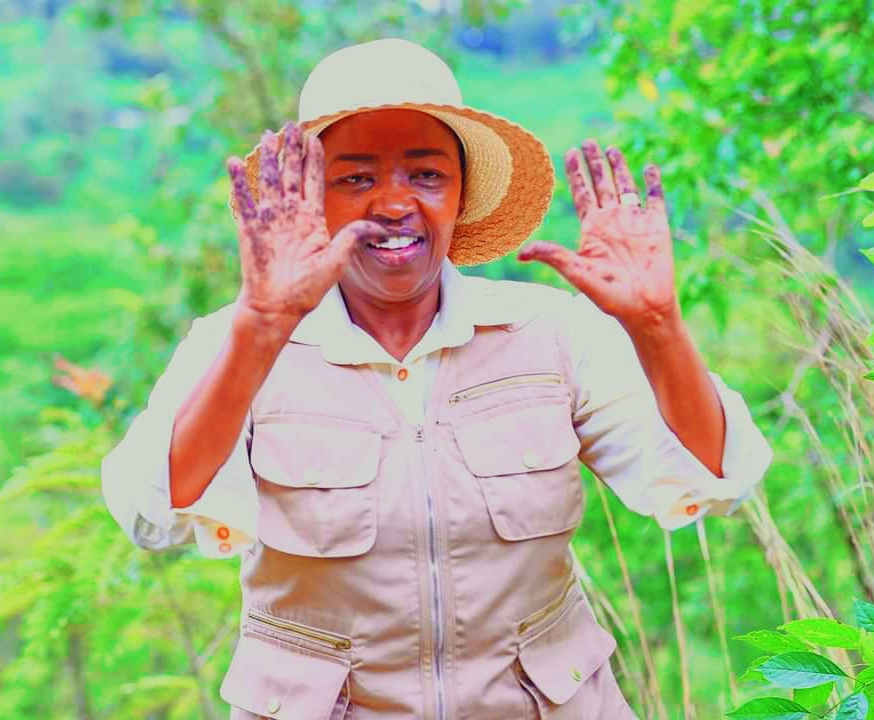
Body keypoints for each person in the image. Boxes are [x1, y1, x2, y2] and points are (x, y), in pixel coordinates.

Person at [101, 38, 773, 720]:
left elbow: (717, 477)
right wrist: (262, 328)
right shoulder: (239, 340)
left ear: (462, 194)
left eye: (425, 175)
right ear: (313, 200)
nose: (394, 205)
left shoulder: (551, 333)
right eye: (357, 178)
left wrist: (658, 326)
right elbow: (151, 510)